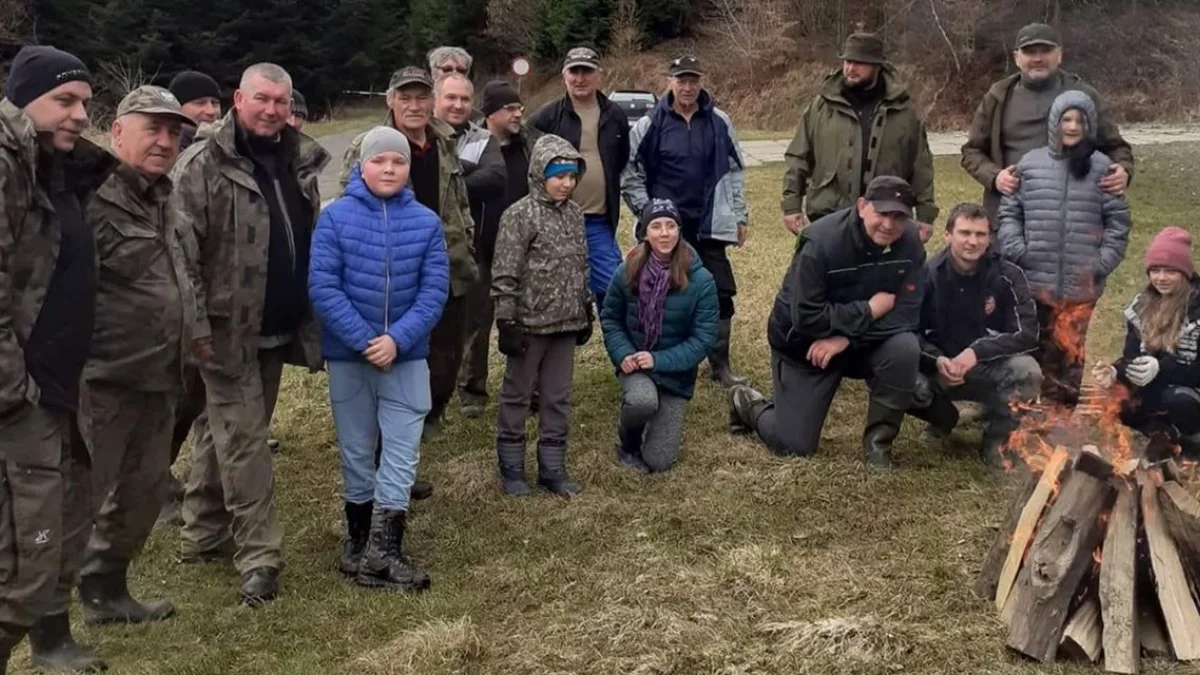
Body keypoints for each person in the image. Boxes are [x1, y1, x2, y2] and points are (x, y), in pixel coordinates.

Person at [171, 62, 331, 607]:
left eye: (281, 102)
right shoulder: (201, 165)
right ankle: (260, 556)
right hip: (223, 333)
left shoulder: (298, 158)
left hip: (276, 326)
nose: (271, 110)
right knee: (247, 442)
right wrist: (193, 329)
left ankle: (200, 529)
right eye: (261, 98)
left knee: (228, 431)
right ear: (238, 98)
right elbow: (180, 256)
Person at [0, 45, 117, 673]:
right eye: (64, 101)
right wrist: (13, 393)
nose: (78, 115)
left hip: (59, 386)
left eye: (85, 104)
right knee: (20, 570)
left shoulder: (57, 167)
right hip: (23, 397)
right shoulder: (6, 164)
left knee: (55, 538)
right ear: (23, 99)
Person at [77, 86, 204, 628]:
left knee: (143, 493)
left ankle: (106, 592)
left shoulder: (166, 197)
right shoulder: (87, 199)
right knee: (72, 506)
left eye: (173, 131)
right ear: (117, 132)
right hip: (100, 380)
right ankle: (46, 628)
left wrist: (195, 337)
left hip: (161, 376)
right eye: (151, 128)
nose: (164, 140)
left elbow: (180, 276)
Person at [310, 126, 449, 591]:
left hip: (406, 358)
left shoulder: (427, 222)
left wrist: (397, 340)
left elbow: (434, 291)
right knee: (355, 447)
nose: (388, 169)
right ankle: (356, 539)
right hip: (351, 357)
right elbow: (324, 287)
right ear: (361, 166)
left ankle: (385, 548)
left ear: (408, 168)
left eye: (398, 161)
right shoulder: (334, 219)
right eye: (379, 161)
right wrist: (366, 339)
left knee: (402, 450)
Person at [728, 176, 926, 470]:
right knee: (795, 444)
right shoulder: (821, 241)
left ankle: (878, 443)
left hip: (854, 342)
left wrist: (846, 339)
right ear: (862, 207)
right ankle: (747, 403)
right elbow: (806, 317)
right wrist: (869, 310)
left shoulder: (910, 243)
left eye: (899, 216)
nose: (889, 224)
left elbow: (908, 312)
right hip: (804, 345)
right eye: (882, 213)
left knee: (905, 348)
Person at [340, 67, 476, 439]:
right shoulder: (370, 145)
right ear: (390, 100)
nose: (414, 106)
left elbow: (460, 201)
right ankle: (392, 436)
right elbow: (348, 211)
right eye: (405, 98)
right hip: (397, 275)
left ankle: (429, 415)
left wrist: (468, 243)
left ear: (433, 101)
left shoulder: (445, 142)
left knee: (447, 357)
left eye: (421, 97)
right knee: (401, 360)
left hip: (449, 268)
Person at [997, 90, 1131, 410]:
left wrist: (1100, 263)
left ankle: (1062, 422)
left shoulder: (1103, 169)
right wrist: (1018, 250)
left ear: (1090, 125)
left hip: (1080, 285)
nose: (1072, 127)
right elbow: (1009, 213)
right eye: (1066, 119)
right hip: (1034, 280)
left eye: (1080, 121)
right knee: (1035, 349)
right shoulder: (1031, 164)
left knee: (1070, 353)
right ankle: (1027, 419)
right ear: (1054, 123)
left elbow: (1118, 223)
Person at [622, 55, 748, 388]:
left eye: (693, 80)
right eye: (681, 80)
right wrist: (648, 213)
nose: (688, 86)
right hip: (665, 229)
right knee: (657, 293)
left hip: (708, 224)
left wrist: (739, 215)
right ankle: (658, 358)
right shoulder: (650, 123)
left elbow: (735, 171)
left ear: (700, 81)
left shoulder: (720, 121)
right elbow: (629, 173)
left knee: (720, 294)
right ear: (670, 82)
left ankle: (720, 366)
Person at [491, 135, 593, 497]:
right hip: (528, 326)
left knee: (557, 397)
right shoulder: (519, 215)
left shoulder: (576, 214)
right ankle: (512, 466)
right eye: (558, 175)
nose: (566, 183)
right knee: (517, 395)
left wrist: (585, 309)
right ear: (539, 174)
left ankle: (552, 467)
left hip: (566, 325)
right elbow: (505, 273)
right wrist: (506, 321)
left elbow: (581, 266)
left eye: (571, 176)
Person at [910, 203, 1042, 467]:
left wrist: (976, 352)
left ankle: (999, 439)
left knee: (1028, 371)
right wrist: (937, 360)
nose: (973, 241)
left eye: (980, 234)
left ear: (989, 238)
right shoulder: (926, 275)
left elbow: (1027, 333)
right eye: (965, 233)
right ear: (948, 235)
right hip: (940, 368)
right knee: (898, 372)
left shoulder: (1009, 275)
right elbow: (907, 330)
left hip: (988, 369)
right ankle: (942, 419)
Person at [961, 22, 1134, 221]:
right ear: (1017, 58)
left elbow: (1116, 147)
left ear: (1059, 55)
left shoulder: (1084, 95)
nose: (1037, 58)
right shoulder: (998, 96)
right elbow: (971, 152)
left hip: (1071, 217)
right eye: (1030, 52)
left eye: (1045, 51)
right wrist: (995, 177)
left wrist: (1124, 171)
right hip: (1010, 215)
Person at [780, 32, 937, 241]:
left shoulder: (903, 112)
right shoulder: (821, 106)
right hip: (829, 215)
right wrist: (791, 204)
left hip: (885, 218)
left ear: (877, 66)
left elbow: (921, 166)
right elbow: (798, 157)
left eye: (859, 63)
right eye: (847, 61)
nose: (850, 69)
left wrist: (925, 214)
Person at [601, 199, 718, 473]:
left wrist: (658, 359)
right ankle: (628, 441)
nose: (664, 233)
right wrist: (623, 355)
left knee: (659, 461)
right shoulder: (627, 270)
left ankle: (658, 416)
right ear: (644, 233)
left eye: (670, 226)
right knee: (642, 401)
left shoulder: (701, 280)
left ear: (679, 230)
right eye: (656, 226)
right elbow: (610, 318)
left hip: (675, 373)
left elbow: (703, 339)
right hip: (636, 364)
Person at [163, 67, 224, 526]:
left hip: (209, 296)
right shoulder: (168, 155)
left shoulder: (216, 155)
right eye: (199, 103)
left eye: (214, 103)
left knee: (201, 398)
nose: (208, 111)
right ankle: (154, 481)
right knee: (177, 400)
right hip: (172, 299)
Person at [459, 81, 539, 418]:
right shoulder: (470, 147)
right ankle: (471, 392)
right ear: (491, 113)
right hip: (481, 247)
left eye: (520, 107)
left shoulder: (528, 146)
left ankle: (528, 388)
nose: (519, 113)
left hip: (522, 251)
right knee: (476, 323)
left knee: (527, 319)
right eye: (511, 108)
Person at [529, 46, 628, 309]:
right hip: (557, 221)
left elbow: (621, 159)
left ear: (599, 75)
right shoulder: (548, 116)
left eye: (587, 71)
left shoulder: (615, 115)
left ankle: (622, 348)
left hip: (598, 220)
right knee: (559, 295)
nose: (580, 78)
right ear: (564, 75)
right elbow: (525, 154)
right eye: (574, 71)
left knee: (614, 290)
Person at [1094, 228, 1200, 458]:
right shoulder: (1142, 306)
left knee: (1179, 400)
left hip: (1190, 390)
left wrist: (1160, 368)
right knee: (1117, 399)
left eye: (1170, 271)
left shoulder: (1197, 308)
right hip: (1157, 389)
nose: (1161, 278)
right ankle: (1161, 435)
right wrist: (1114, 371)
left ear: (1185, 273)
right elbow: (1131, 357)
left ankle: (1193, 442)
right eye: (1155, 270)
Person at [168, 69, 222, 150]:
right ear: (177, 108)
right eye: (200, 103)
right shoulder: (165, 150)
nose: (211, 111)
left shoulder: (233, 146)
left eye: (214, 103)